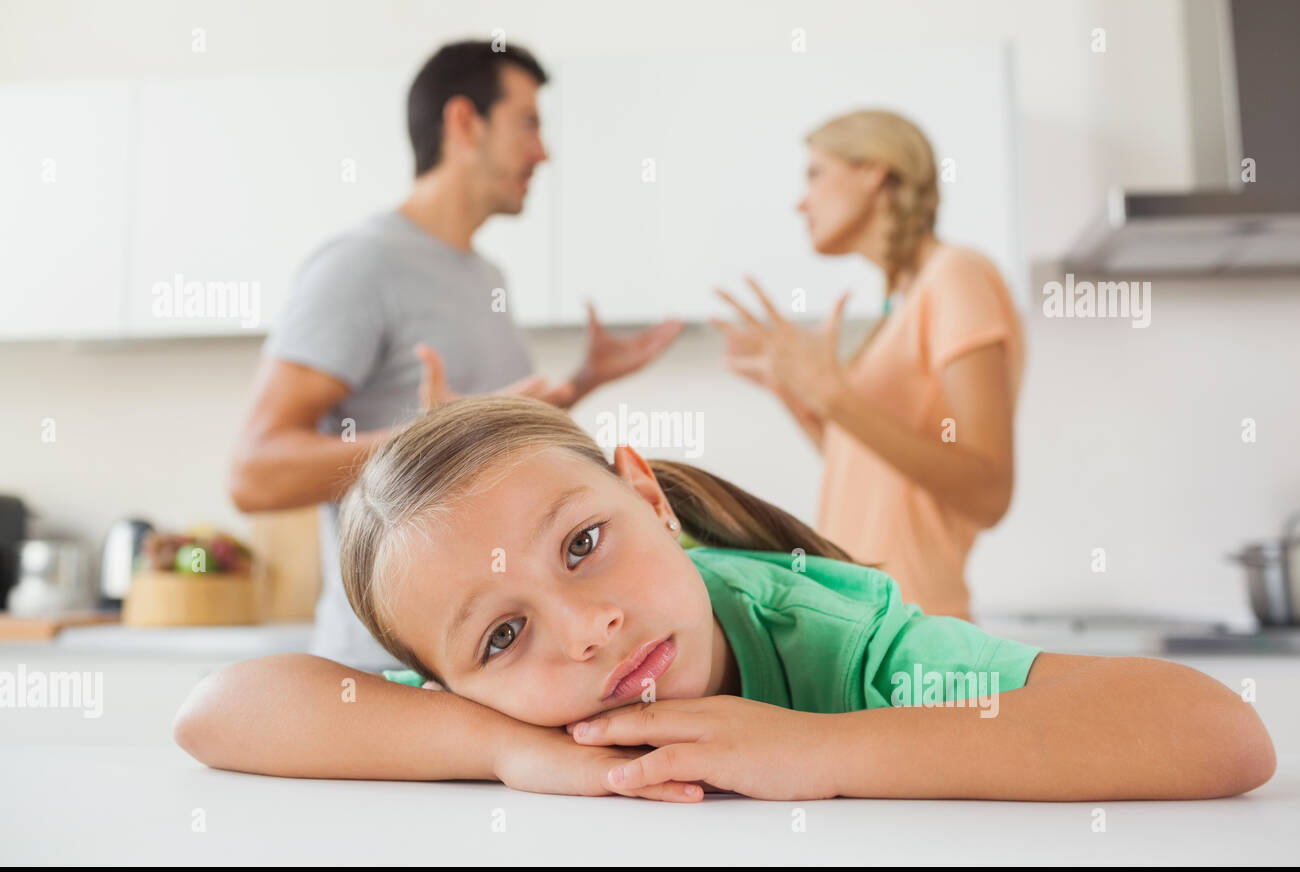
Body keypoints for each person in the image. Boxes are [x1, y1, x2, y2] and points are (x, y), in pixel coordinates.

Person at [175, 396, 1275, 802]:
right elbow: (216, 708)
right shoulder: (519, 712)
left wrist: (821, 750)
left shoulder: (842, 640)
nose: (586, 626)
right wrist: (501, 749)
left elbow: (1218, 734)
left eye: (585, 542)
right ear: (454, 678)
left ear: (650, 498)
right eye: (502, 635)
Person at [228, 40, 683, 671]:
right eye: (528, 122)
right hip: (388, 672)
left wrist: (580, 383)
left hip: (497, 663)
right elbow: (254, 474)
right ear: (465, 122)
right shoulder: (361, 266)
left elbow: (489, 446)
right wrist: (433, 437)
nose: (543, 151)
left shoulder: (484, 276)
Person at [710, 110, 1021, 621]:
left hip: (918, 627)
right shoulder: (902, 301)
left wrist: (836, 398)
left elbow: (990, 491)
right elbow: (868, 465)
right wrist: (795, 392)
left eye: (815, 173)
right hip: (869, 620)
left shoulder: (957, 275)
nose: (800, 201)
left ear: (875, 170)